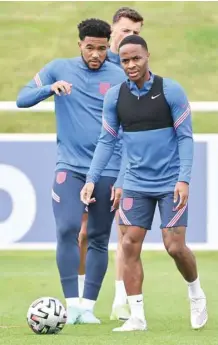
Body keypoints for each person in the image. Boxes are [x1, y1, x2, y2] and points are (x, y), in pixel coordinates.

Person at [80, 35, 208, 332]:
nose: (131, 65)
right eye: (125, 60)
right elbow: (106, 141)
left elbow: (186, 138)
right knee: (128, 244)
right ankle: (136, 316)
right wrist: (91, 179)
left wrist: (184, 179)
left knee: (174, 247)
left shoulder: (171, 90)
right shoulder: (115, 96)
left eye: (136, 58)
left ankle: (195, 292)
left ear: (147, 55)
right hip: (136, 182)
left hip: (169, 182)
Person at [16, 18, 126, 325]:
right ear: (80, 44)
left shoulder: (119, 76)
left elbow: (130, 129)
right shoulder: (58, 68)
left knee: (98, 236)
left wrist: (122, 176)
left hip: (107, 169)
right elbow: (21, 98)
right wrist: (48, 89)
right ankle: (70, 303)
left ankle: (87, 308)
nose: (95, 54)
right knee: (66, 229)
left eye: (102, 49)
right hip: (70, 167)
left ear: (108, 47)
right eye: (90, 48)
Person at [77, 7, 144, 321]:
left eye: (136, 33)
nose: (131, 37)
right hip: (86, 160)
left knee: (124, 232)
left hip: (122, 164)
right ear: (112, 30)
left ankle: (120, 299)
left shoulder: (132, 72)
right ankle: (77, 299)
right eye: (126, 31)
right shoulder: (93, 63)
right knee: (81, 231)